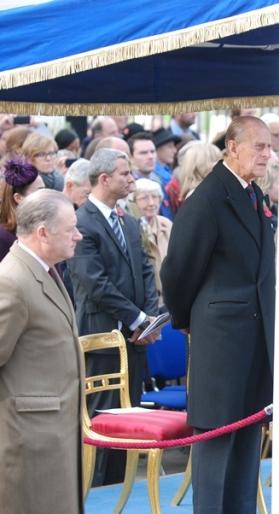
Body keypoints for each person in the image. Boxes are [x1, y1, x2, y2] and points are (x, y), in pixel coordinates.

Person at [161, 116, 275, 514]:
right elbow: (177, 271)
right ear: (231, 147)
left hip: (253, 337)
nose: (267, 154)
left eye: (269, 147)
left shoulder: (252, 193)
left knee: (246, 442)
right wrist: (191, 319)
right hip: (222, 338)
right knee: (216, 444)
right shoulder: (208, 198)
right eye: (258, 146)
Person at [67, 148, 160, 485]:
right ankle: (99, 495)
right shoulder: (80, 222)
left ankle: (121, 492)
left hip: (134, 341)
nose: (131, 179)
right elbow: (95, 284)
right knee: (104, 423)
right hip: (102, 339)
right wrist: (137, 319)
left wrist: (148, 319)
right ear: (104, 178)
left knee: (129, 421)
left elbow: (146, 271)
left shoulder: (128, 220)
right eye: (125, 173)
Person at [0, 189, 83, 514]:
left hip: (52, 432)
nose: (78, 235)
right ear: (43, 233)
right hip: (29, 438)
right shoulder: (13, 280)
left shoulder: (42, 270)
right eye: (71, 228)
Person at [132, 178, 172, 306]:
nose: (151, 203)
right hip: (147, 303)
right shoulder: (131, 228)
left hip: (170, 300)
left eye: (155, 197)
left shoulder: (167, 224)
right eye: (144, 198)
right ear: (133, 202)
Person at [0, 159, 45, 259]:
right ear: (18, 198)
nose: (45, 195)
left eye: (44, 189)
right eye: (39, 191)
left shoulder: (44, 224)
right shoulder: (3, 237)